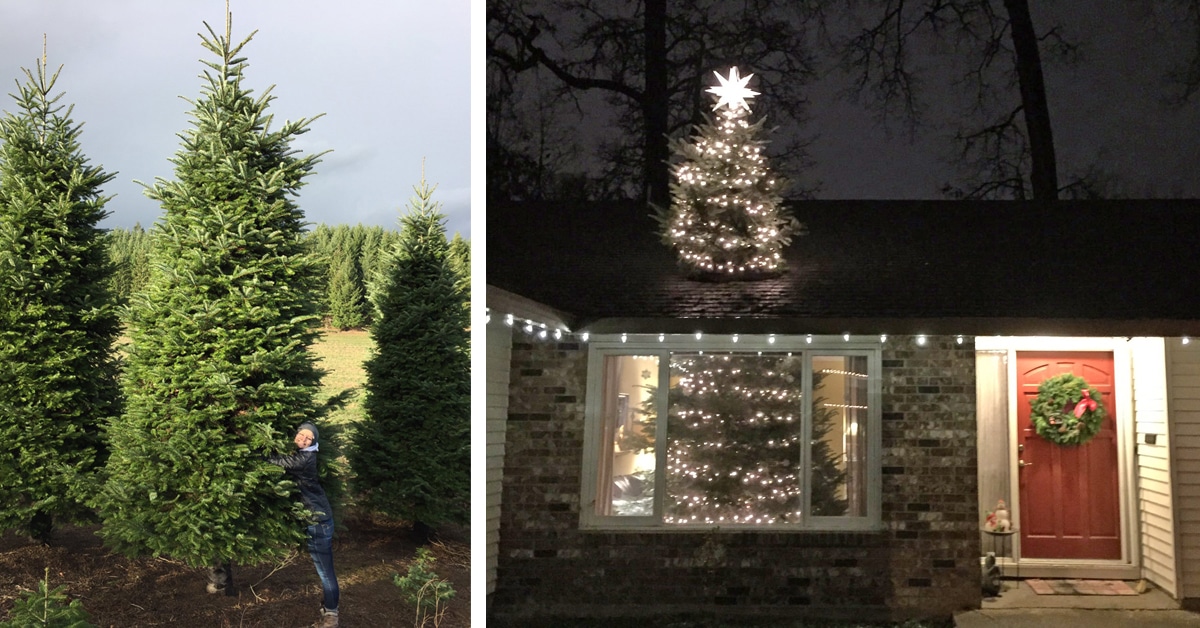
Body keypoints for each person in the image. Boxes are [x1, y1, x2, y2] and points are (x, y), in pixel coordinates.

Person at [268, 422, 340, 628]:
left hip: (318, 521)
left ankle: (331, 614)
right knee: (326, 570)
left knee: (325, 571)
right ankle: (328, 606)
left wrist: (253, 452)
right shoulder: (305, 453)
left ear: (314, 442)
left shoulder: (305, 458)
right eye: (301, 434)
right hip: (319, 517)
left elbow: (277, 461)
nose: (304, 439)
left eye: (309, 438)